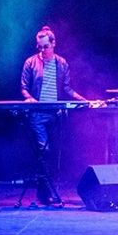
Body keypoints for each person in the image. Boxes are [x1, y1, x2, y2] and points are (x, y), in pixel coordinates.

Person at [19, 25, 90, 205]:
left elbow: (66, 88)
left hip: (55, 114)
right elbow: (24, 88)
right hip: (37, 115)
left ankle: (46, 193)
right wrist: (30, 99)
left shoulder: (62, 63)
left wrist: (83, 99)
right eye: (39, 47)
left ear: (53, 44)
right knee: (45, 151)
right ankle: (47, 192)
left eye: (45, 46)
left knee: (55, 153)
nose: (42, 50)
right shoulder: (30, 62)